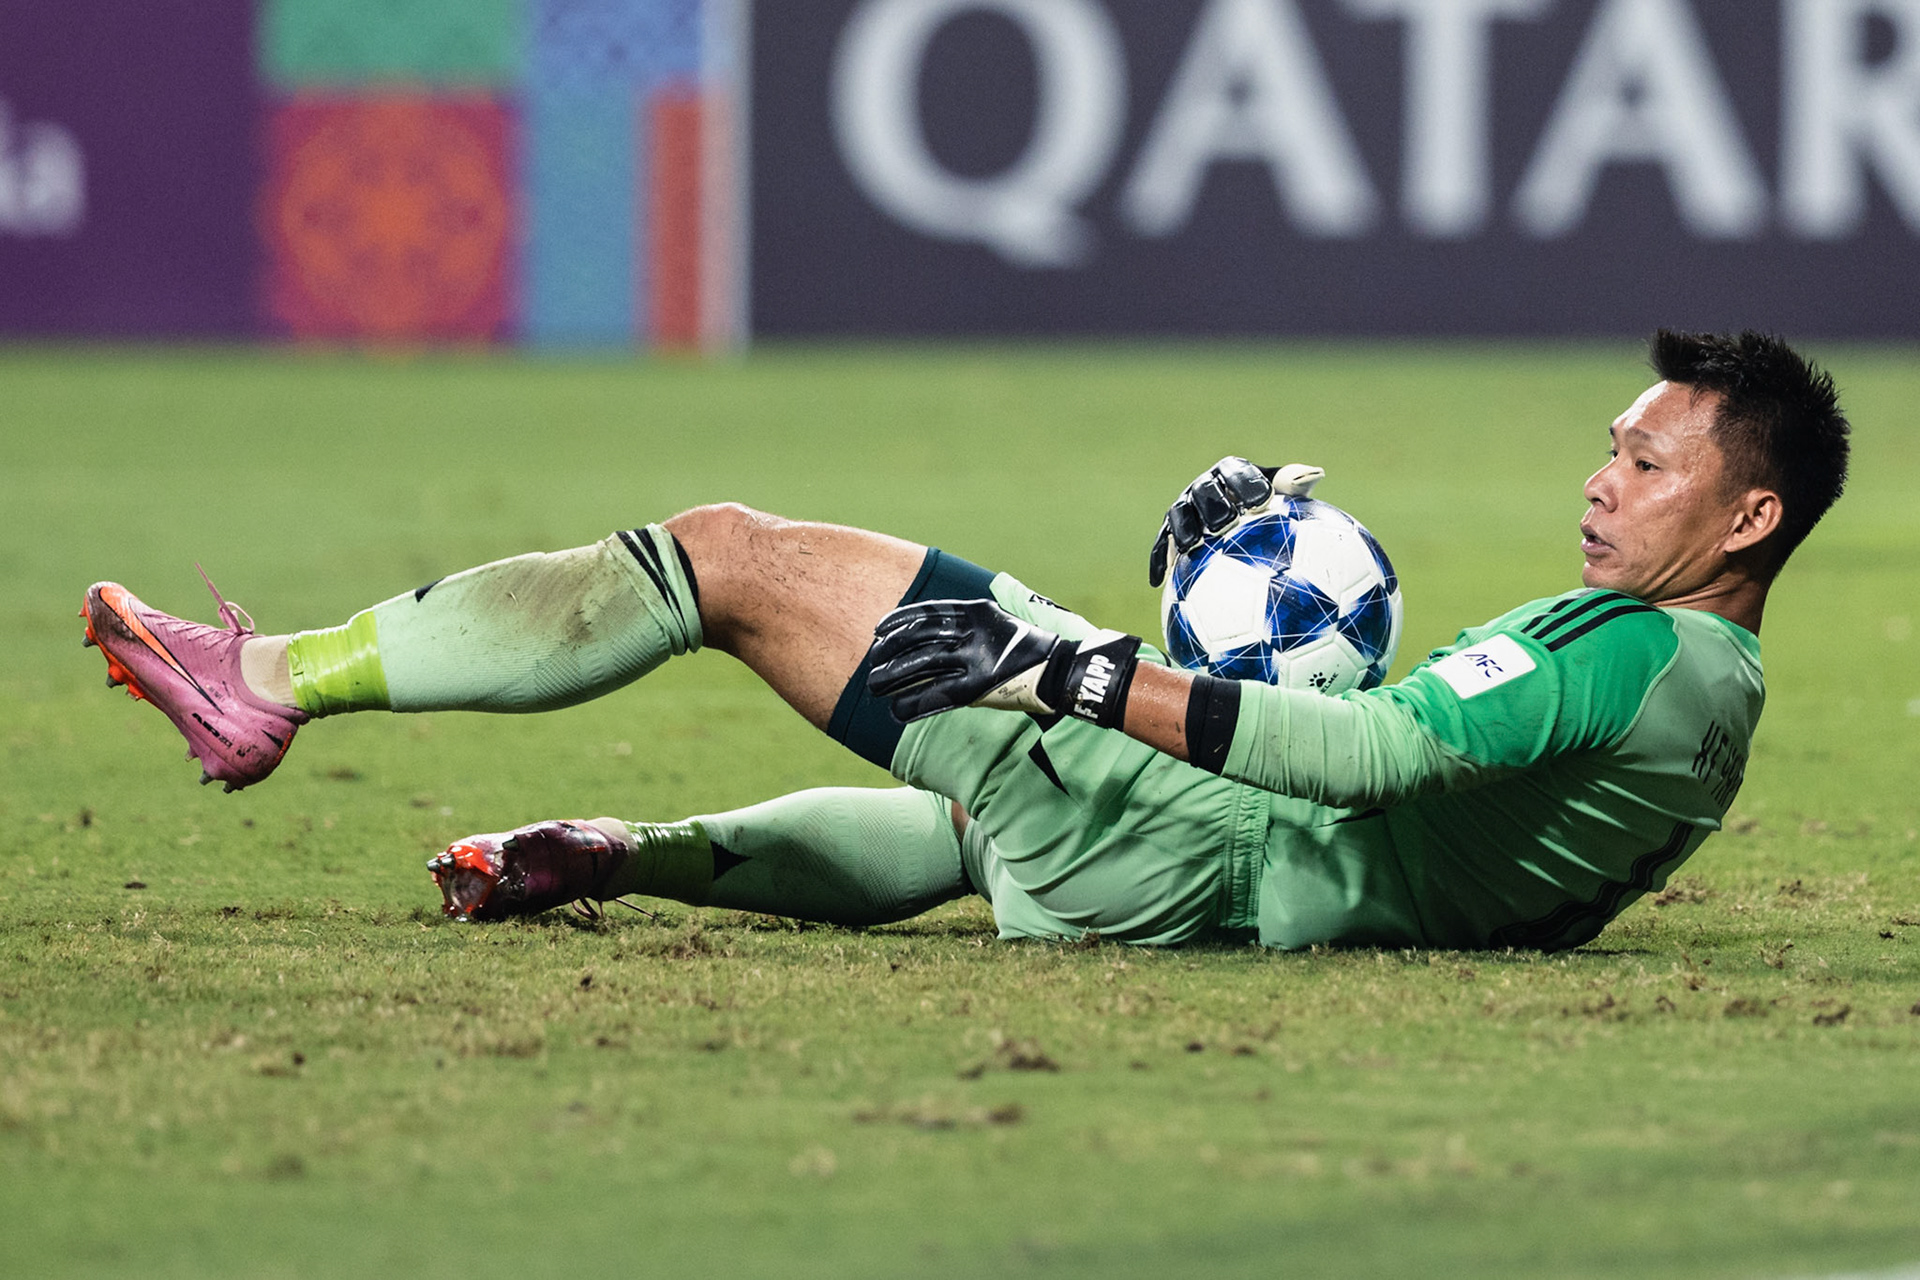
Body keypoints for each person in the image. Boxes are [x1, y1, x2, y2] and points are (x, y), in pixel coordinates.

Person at [82, 331, 1849, 951]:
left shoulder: (1644, 656)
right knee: (969, 834)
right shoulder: (1698, 680)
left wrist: (1087, 672)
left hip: (1197, 840)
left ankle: (271, 685)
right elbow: (1448, 810)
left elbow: (1383, 755)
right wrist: (1220, 620)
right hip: (1210, 880)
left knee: (725, 558)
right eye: (1613, 442)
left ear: (1747, 517)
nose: (1604, 476)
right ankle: (634, 851)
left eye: (1648, 458)